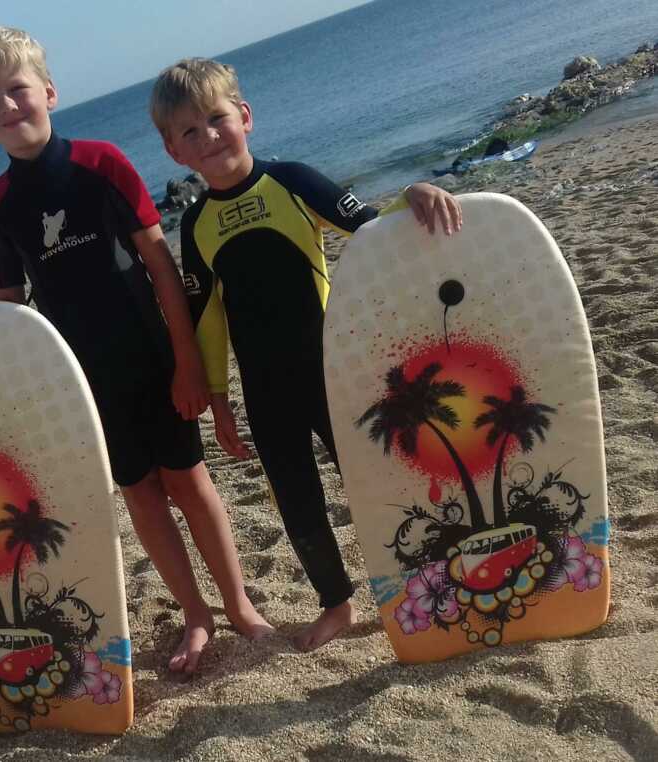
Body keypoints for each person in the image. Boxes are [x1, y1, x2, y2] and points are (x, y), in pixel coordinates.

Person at [0, 27, 272, 676]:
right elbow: (12, 307)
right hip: (85, 382)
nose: (7, 107)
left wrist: (187, 364)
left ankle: (238, 606)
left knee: (190, 483)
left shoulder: (102, 164)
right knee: (141, 495)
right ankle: (195, 617)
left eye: (17, 90)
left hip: (151, 356)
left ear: (49, 93)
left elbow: (161, 268)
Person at [150, 57, 463, 652]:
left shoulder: (290, 181)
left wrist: (411, 193)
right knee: (296, 500)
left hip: (335, 372)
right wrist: (219, 403)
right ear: (174, 152)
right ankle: (336, 602)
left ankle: (425, 573)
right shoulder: (194, 227)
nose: (208, 136)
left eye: (216, 119)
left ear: (244, 116)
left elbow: (368, 231)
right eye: (189, 131)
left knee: (373, 478)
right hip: (265, 390)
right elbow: (206, 322)